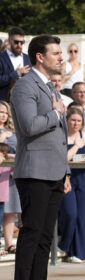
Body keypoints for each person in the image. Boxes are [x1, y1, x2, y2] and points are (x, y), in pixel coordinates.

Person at [10, 34, 71, 280]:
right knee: (32, 235)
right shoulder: (25, 85)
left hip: (55, 172)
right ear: (40, 56)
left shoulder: (48, 87)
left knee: (45, 238)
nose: (61, 57)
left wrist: (65, 171)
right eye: (56, 53)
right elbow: (28, 126)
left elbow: (60, 137)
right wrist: (55, 115)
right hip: (34, 171)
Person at [59, 107, 85, 264]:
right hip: (66, 178)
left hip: (83, 178)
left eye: (79, 121)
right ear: (67, 120)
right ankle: (65, 244)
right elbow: (63, 158)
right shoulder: (61, 136)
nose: (76, 123)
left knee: (82, 217)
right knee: (70, 213)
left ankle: (78, 253)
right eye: (73, 120)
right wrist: (76, 147)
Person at [0, 100, 20, 256]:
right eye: (0, 112)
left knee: (10, 211)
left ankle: (8, 244)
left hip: (10, 177)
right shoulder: (5, 134)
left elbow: (19, 152)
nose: (3, 115)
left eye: (5, 113)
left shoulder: (13, 133)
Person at [0, 27, 32, 101]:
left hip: (26, 100)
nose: (19, 45)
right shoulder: (1, 58)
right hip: (5, 102)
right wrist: (15, 74)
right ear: (9, 40)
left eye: (22, 42)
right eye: (16, 42)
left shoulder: (28, 58)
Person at [0, 143, 12, 256]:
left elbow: (19, 161)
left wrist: (12, 156)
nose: (4, 154)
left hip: (2, 198)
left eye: (5, 152)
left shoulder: (7, 164)